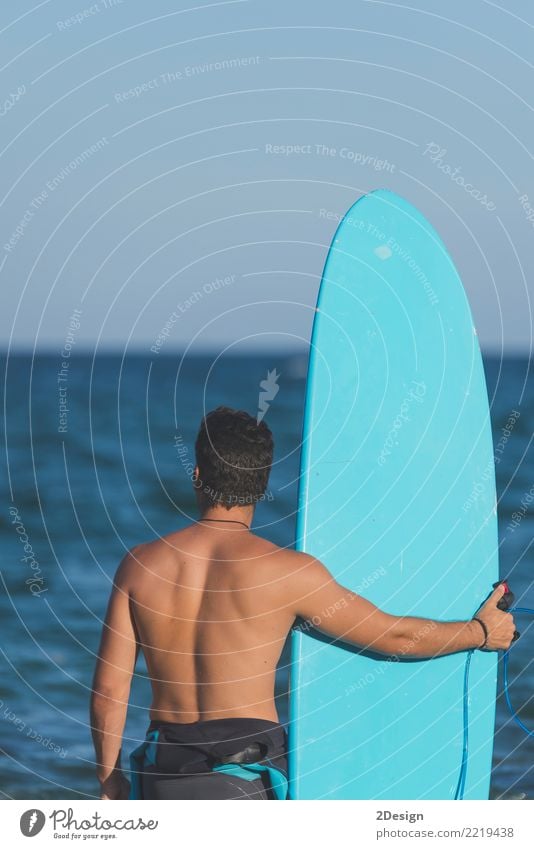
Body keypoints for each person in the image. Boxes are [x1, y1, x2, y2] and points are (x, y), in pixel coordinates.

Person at [90, 406, 516, 800]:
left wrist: (109, 780)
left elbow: (110, 691)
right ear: (262, 482)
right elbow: (393, 635)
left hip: (163, 773)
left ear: (198, 474)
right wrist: (479, 633)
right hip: (245, 780)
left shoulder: (140, 566)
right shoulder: (288, 574)